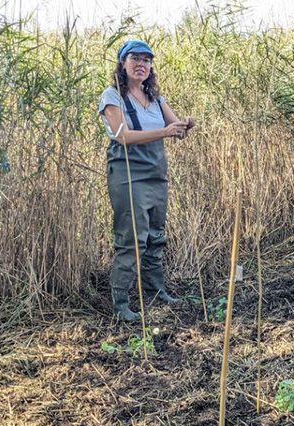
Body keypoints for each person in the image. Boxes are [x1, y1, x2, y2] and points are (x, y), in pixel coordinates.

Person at [98, 40, 195, 321]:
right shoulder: (112, 96)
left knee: (155, 235)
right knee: (132, 240)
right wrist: (165, 132)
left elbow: (175, 130)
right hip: (128, 174)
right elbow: (123, 136)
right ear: (122, 64)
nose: (141, 64)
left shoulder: (156, 98)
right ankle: (120, 304)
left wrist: (185, 125)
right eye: (135, 59)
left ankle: (155, 291)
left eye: (146, 60)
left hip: (156, 174)